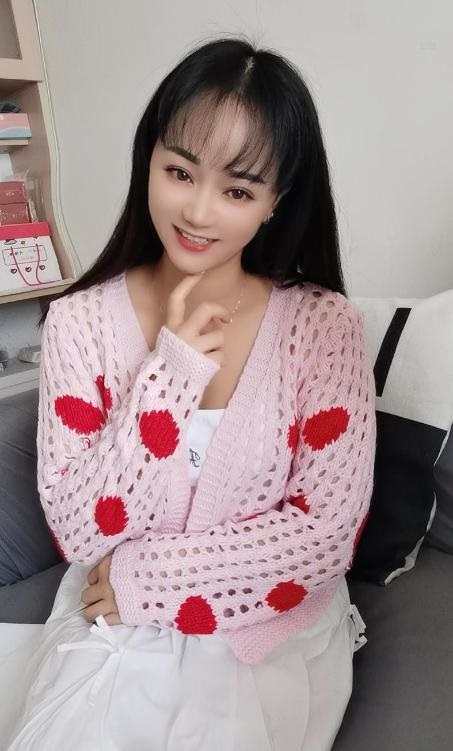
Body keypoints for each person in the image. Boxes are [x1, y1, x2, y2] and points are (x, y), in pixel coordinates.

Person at [6, 36, 376, 751]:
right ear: (148, 158)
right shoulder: (79, 323)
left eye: (238, 190)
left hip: (261, 622)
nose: (199, 212)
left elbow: (325, 534)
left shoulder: (323, 326)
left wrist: (153, 577)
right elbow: (81, 531)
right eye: (179, 171)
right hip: (113, 616)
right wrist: (169, 377)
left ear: (275, 202)